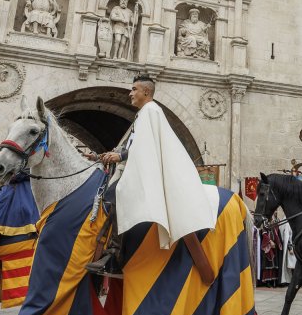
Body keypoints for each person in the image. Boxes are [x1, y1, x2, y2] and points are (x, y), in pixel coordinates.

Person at [84, 75, 215, 276]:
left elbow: (144, 146)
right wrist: (99, 156)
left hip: (152, 171)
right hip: (141, 166)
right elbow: (132, 146)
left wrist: (119, 156)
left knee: (117, 194)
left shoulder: (151, 111)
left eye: (134, 89)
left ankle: (115, 256)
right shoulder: (144, 114)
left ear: (146, 92)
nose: (130, 93)